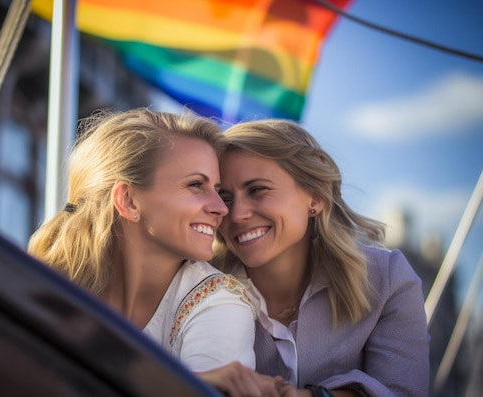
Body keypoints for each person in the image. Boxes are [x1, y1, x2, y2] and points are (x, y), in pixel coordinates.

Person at [28, 108, 282, 397]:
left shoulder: (218, 302)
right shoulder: (48, 286)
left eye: (216, 189)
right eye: (196, 185)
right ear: (129, 201)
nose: (221, 208)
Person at [213, 119, 430, 397]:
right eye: (225, 198)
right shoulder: (197, 284)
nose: (237, 214)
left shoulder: (387, 279)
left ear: (314, 197)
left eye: (257, 190)